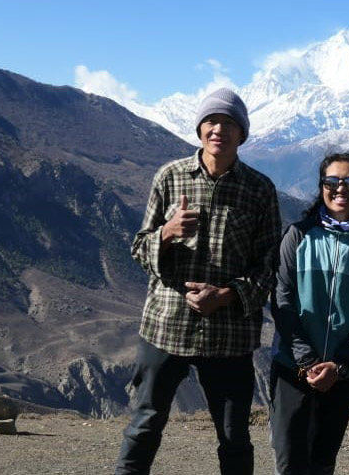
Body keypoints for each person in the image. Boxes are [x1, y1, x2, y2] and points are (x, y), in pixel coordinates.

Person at [117, 88, 280, 475]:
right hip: (166, 325)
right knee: (145, 422)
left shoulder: (259, 190)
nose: (218, 129)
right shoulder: (170, 178)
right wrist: (167, 233)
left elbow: (269, 267)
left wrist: (226, 295)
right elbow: (139, 248)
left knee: (234, 434)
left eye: (228, 123)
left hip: (230, 334)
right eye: (211, 121)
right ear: (199, 129)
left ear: (242, 133)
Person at [270, 152, 349, 475]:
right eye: (332, 181)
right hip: (291, 368)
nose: (340, 189)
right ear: (321, 186)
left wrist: (340, 363)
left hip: (344, 375)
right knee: (290, 461)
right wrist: (306, 360)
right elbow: (281, 298)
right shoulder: (298, 236)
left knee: (322, 461)